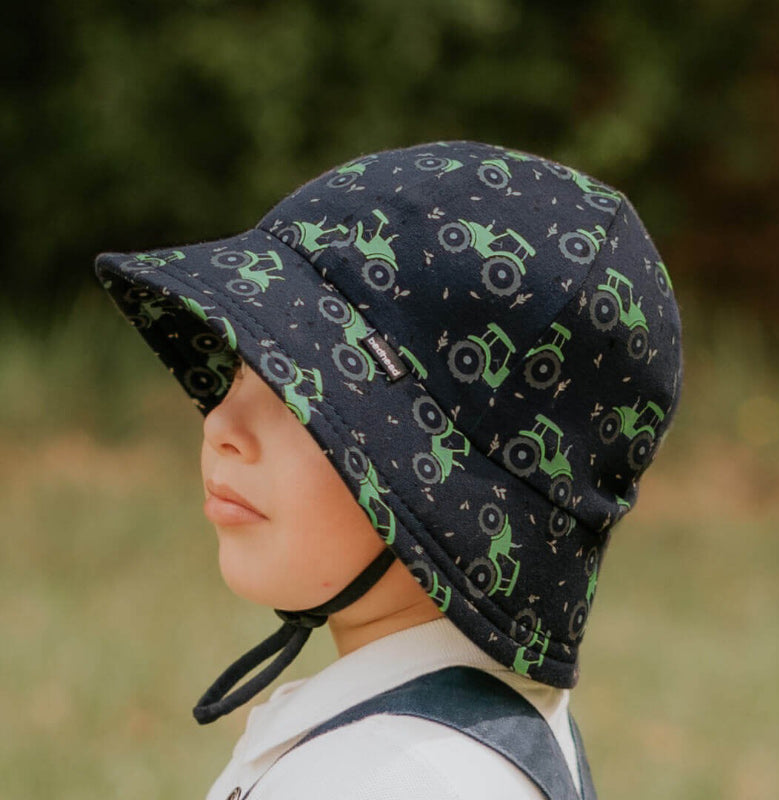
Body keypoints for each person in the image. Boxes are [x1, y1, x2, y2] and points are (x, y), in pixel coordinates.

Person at [94, 140, 683, 799]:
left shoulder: (387, 778)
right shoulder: (476, 738)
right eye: (239, 363)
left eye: (302, 393)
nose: (220, 426)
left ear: (450, 496)